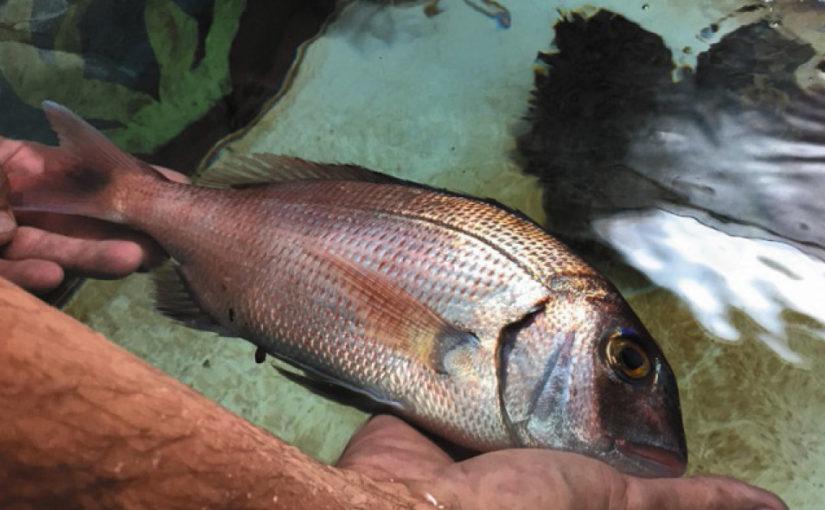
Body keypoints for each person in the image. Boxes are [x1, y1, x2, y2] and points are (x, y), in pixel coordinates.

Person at [0, 135, 786, 510]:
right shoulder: (493, 322)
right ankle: (112, 188)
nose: (629, 385)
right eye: (626, 361)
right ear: (543, 324)